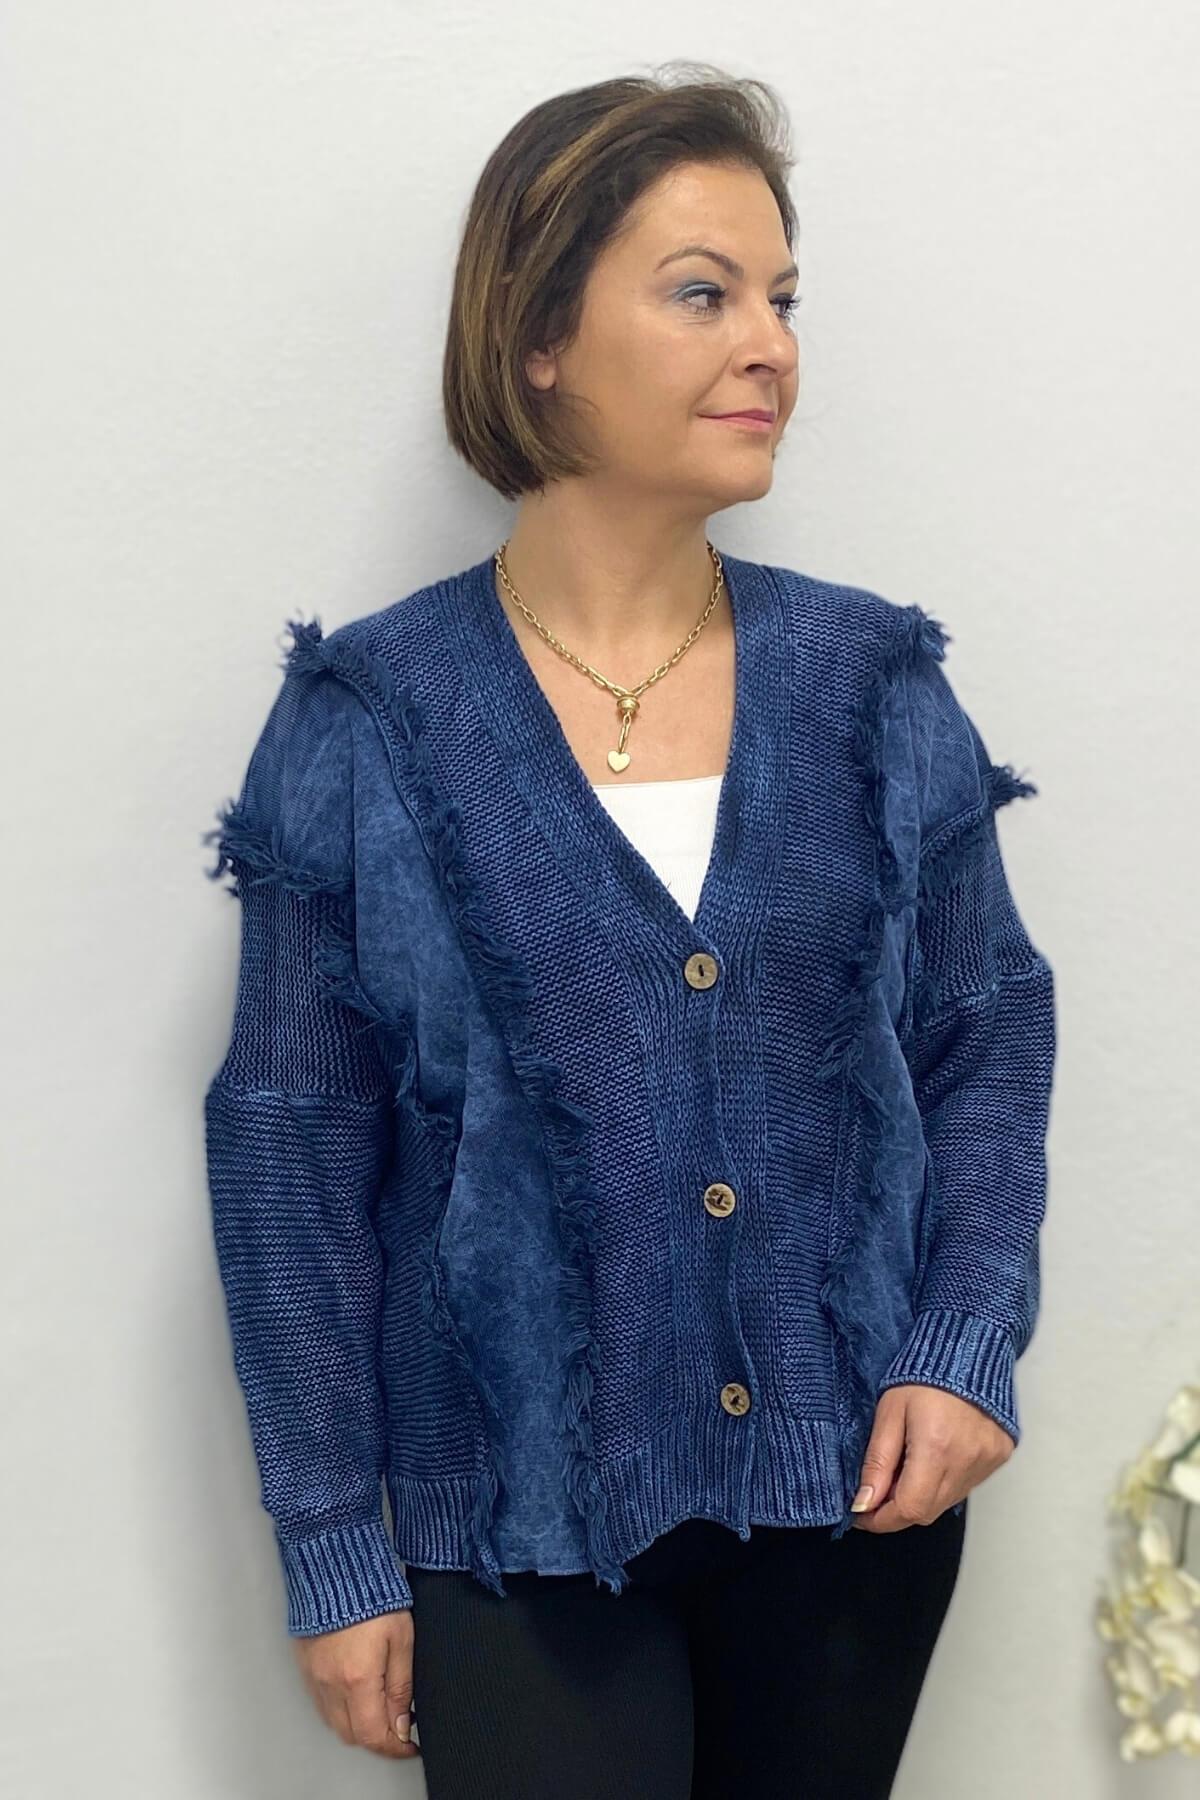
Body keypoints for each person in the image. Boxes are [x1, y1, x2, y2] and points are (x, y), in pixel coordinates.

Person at [202, 64, 1057, 1800]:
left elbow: (987, 1023)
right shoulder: (371, 719)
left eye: (783, 300)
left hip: (852, 1504)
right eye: (703, 294)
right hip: (506, 1515)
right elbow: (289, 1143)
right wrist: (335, 1543)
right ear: (538, 334)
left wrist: (969, 1345)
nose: (772, 349)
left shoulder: (873, 681)